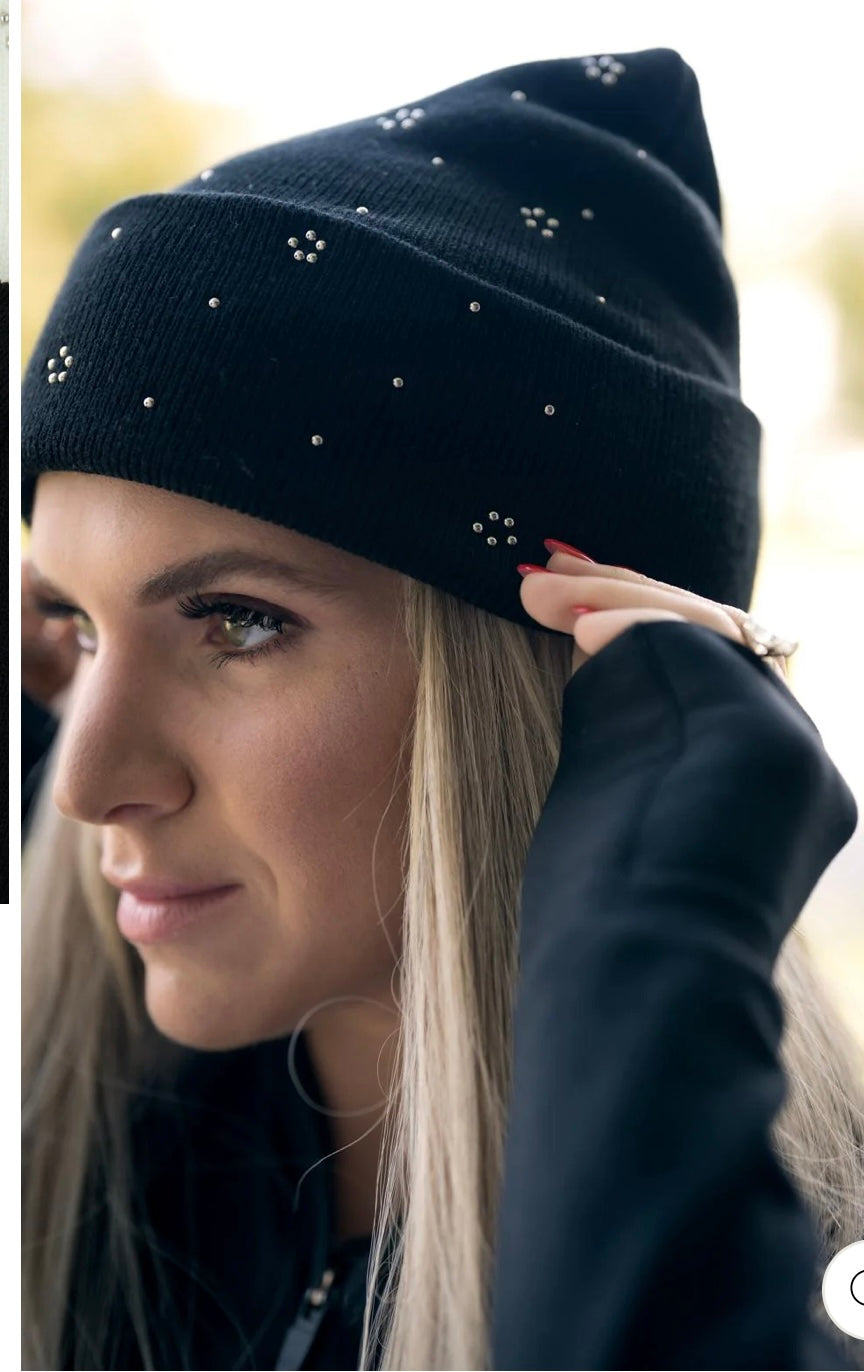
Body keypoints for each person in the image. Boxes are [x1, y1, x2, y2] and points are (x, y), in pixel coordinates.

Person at [20, 48, 864, 1372]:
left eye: (238, 621)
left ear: (550, 673)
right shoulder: (83, 1130)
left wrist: (660, 923)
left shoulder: (794, 1284)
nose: (84, 785)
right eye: (77, 624)